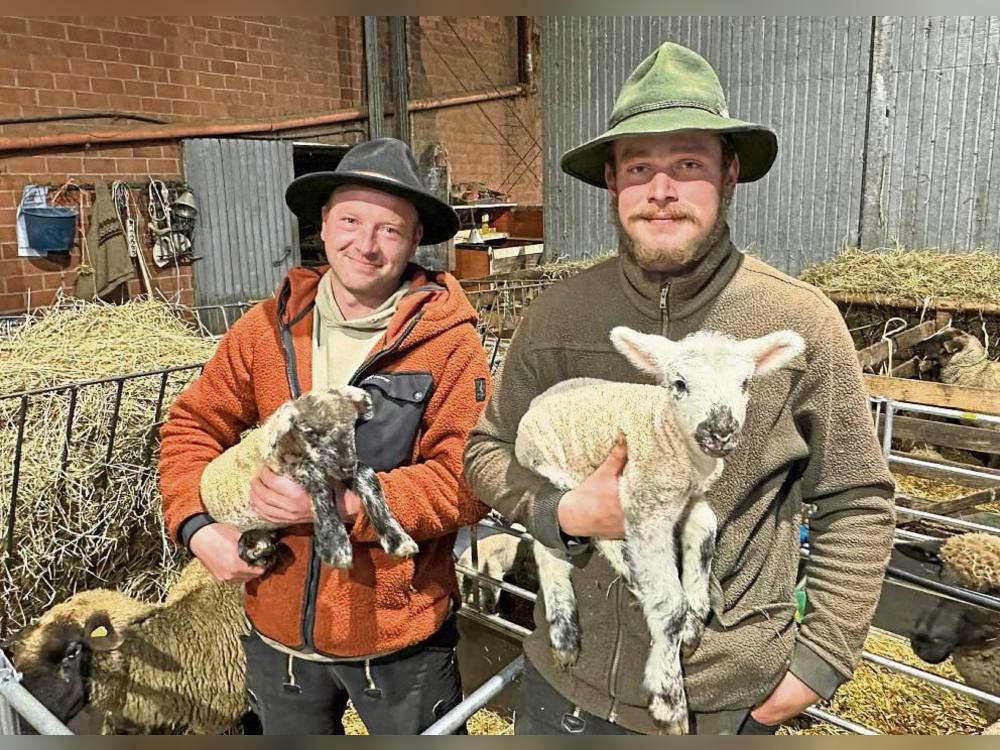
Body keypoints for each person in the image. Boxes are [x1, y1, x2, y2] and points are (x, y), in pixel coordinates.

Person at [464, 42, 895, 735]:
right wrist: (560, 511)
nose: (661, 189)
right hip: (564, 682)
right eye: (639, 167)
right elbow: (487, 449)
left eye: (688, 164)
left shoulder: (797, 322)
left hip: (722, 702)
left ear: (729, 174)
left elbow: (856, 499)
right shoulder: (560, 314)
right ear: (613, 183)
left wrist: (817, 664)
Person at [160, 138, 492, 734]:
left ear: (416, 239)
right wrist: (196, 527)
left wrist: (346, 506)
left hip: (397, 634)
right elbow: (192, 425)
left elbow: (467, 481)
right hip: (277, 628)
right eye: (351, 221)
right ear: (323, 223)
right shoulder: (268, 328)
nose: (366, 244)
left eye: (390, 229)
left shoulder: (449, 344)